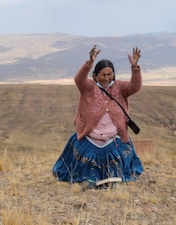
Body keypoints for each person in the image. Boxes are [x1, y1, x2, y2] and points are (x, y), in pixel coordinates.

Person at [52, 46, 145, 185]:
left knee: (119, 159)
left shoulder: (120, 87)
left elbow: (135, 86)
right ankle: (88, 180)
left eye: (110, 74)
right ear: (95, 76)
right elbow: (79, 79)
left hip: (114, 136)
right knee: (83, 162)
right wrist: (89, 63)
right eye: (103, 74)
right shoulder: (88, 87)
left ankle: (112, 178)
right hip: (90, 135)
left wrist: (135, 67)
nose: (107, 78)